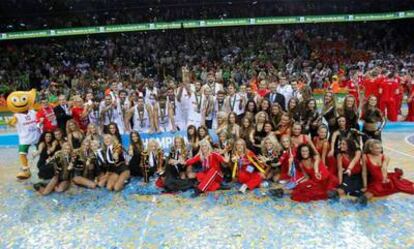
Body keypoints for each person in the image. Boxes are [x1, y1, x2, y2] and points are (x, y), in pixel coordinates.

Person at [358, 140, 414, 205]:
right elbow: (364, 172)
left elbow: (384, 168)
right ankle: (363, 200)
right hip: (375, 180)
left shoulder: (385, 157)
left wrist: (384, 179)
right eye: (377, 148)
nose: (379, 150)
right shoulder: (365, 156)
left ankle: (399, 172)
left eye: (380, 148)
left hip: (385, 177)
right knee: (373, 189)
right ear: (370, 148)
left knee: (404, 186)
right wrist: (365, 186)